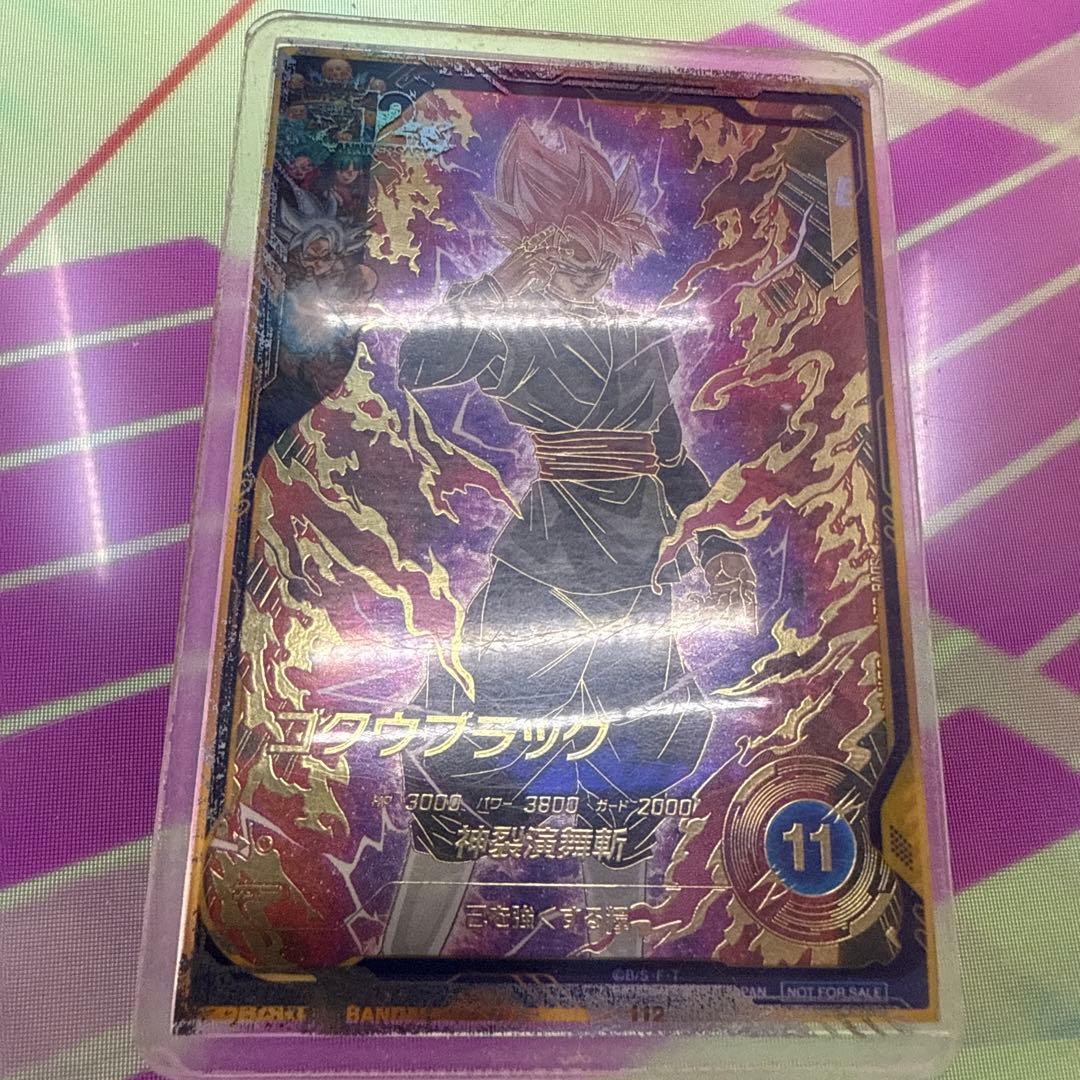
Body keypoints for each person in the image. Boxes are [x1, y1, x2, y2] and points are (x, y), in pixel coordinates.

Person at [381, 119, 756, 957]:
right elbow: (421, 361)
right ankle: (399, 970)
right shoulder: (514, 332)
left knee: (629, 793)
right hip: (543, 579)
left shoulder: (643, 341)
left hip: (640, 584)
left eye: (594, 249)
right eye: (563, 249)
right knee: (466, 786)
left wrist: (717, 544)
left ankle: (625, 982)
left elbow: (672, 461)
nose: (585, 266)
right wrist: (508, 277)